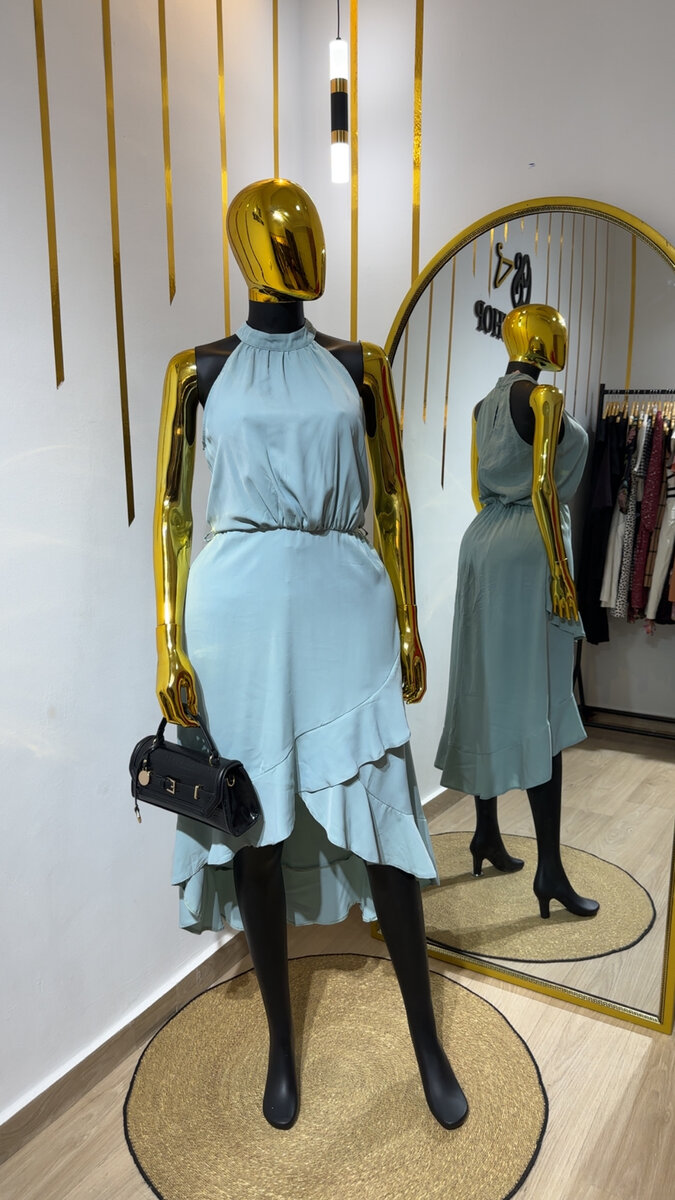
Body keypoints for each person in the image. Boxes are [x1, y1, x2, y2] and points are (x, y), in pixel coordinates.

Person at [153, 178, 468, 1131]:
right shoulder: (197, 370)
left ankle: (426, 1043)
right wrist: (166, 638)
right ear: (250, 246)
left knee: (381, 818)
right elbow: (172, 516)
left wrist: (407, 618)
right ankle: (281, 1050)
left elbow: (393, 501)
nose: (308, 250)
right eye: (288, 233)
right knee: (254, 826)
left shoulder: (359, 365)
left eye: (314, 232)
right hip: (236, 620)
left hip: (346, 604)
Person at [435, 304, 599, 921]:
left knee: (483, 688)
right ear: (544, 339)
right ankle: (549, 871)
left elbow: (480, 491)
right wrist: (560, 575)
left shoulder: (482, 408)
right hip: (534, 549)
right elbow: (543, 489)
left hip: (481, 547)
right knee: (541, 704)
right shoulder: (544, 399)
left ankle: (485, 834)